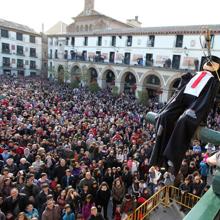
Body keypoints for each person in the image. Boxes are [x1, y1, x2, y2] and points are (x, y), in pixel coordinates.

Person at [150, 55, 220, 175]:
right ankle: (158, 157)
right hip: (185, 96)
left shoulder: (214, 81)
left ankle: (171, 157)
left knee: (185, 119)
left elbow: (206, 101)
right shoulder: (194, 75)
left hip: (197, 103)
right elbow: (180, 91)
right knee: (165, 116)